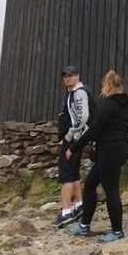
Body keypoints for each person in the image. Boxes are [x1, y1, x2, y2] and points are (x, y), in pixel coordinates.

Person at [67, 69, 128, 242]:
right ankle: (84, 225)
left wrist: (74, 148)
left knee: (111, 190)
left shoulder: (109, 103)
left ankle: (117, 232)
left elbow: (95, 129)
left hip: (109, 150)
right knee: (89, 184)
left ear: (108, 85)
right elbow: (125, 128)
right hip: (120, 147)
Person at [54, 65, 95, 226]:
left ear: (78, 76)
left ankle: (66, 212)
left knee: (66, 172)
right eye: (65, 76)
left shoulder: (78, 93)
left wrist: (71, 133)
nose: (67, 78)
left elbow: (82, 115)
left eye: (71, 75)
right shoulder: (75, 93)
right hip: (78, 138)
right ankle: (80, 204)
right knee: (73, 171)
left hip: (74, 138)